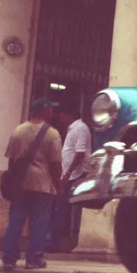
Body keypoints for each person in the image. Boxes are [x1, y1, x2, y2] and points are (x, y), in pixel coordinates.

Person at [3, 99, 63, 272]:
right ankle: (34, 258)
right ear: (43, 110)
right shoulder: (52, 134)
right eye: (51, 109)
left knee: (15, 221)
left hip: (20, 183)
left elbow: (12, 160)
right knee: (39, 222)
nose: (53, 112)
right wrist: (58, 185)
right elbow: (54, 164)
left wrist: (12, 181)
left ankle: (9, 258)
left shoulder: (18, 130)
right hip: (41, 184)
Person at [49, 100, 92, 252]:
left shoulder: (80, 128)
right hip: (69, 173)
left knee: (62, 207)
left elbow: (79, 152)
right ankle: (55, 239)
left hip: (75, 174)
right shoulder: (72, 129)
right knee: (60, 206)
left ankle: (55, 241)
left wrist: (68, 173)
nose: (59, 117)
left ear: (68, 115)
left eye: (61, 114)